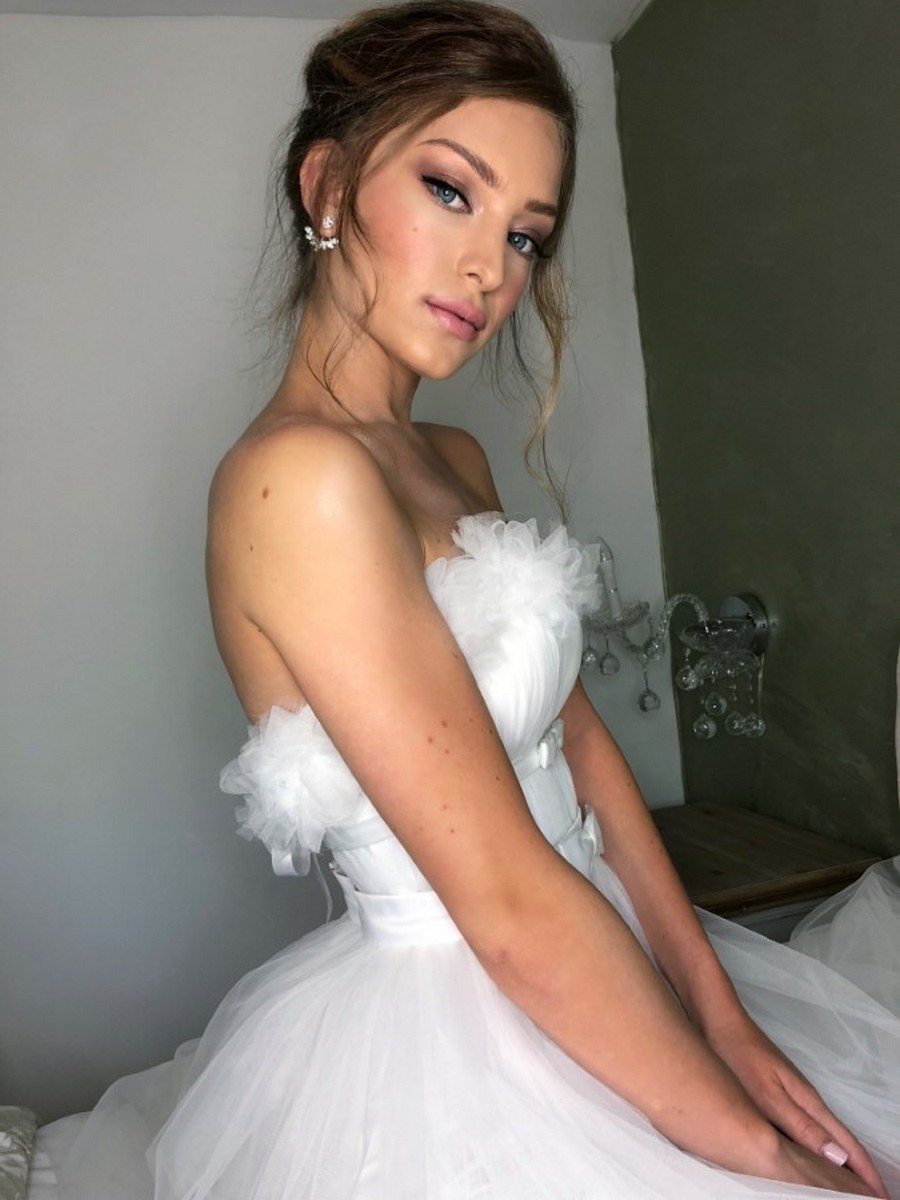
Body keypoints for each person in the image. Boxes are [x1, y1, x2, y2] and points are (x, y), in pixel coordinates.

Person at [58, 2, 899, 1197]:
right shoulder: (294, 483)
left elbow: (579, 742)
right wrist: (756, 1150)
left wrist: (721, 1013)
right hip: (474, 1026)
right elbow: (503, 902)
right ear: (328, 184)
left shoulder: (450, 458)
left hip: (607, 956)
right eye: (452, 190)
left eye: (527, 237)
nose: (491, 269)